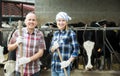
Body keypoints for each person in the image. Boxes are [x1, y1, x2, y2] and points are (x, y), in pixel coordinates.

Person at [7, 12, 46, 76]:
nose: (31, 21)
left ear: (36, 22)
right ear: (25, 21)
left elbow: (40, 52)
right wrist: (16, 43)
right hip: (20, 69)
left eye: (33, 20)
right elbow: (9, 48)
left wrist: (28, 59)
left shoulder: (40, 34)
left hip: (34, 70)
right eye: (29, 19)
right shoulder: (18, 32)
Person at [50, 12, 80, 76]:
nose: (61, 23)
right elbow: (50, 51)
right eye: (59, 20)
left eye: (63, 20)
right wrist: (53, 48)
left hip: (64, 68)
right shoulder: (55, 34)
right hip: (54, 66)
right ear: (56, 22)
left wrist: (68, 62)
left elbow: (76, 50)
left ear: (66, 22)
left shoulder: (71, 34)